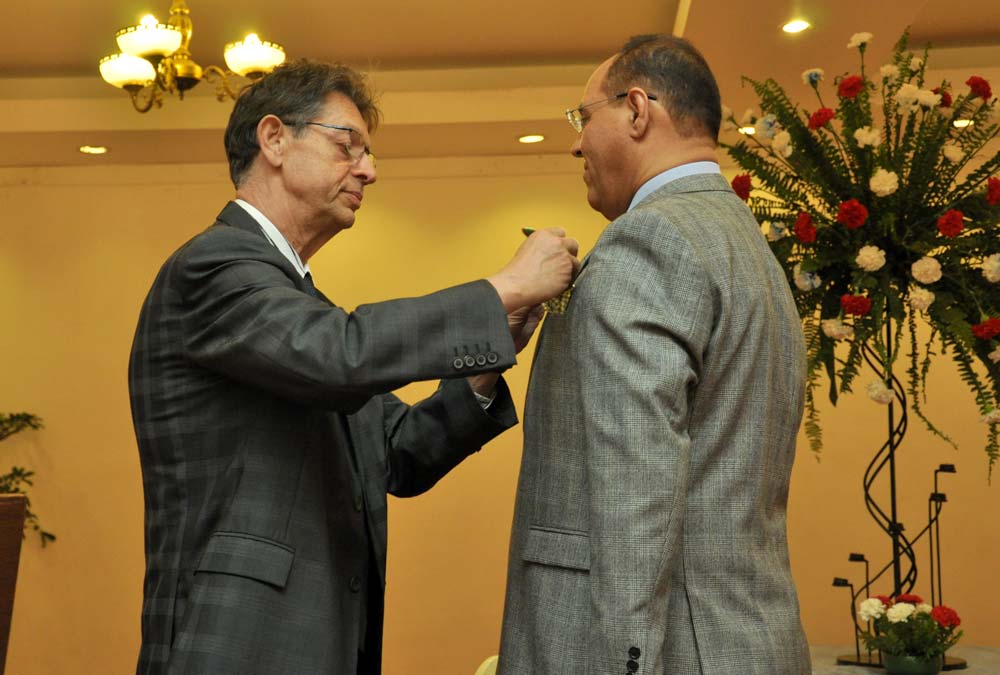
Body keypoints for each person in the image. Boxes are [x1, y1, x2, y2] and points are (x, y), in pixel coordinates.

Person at [128, 59, 577, 675]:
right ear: (274, 139)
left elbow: (397, 453)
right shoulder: (213, 266)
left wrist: (484, 365)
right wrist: (503, 289)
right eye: (348, 146)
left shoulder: (295, 303)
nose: (369, 169)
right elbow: (341, 355)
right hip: (238, 643)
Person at [497, 34, 810, 675]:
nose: (577, 143)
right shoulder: (748, 245)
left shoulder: (647, 241)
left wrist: (628, 665)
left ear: (637, 110)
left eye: (584, 117)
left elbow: (634, 489)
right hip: (749, 640)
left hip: (670, 653)